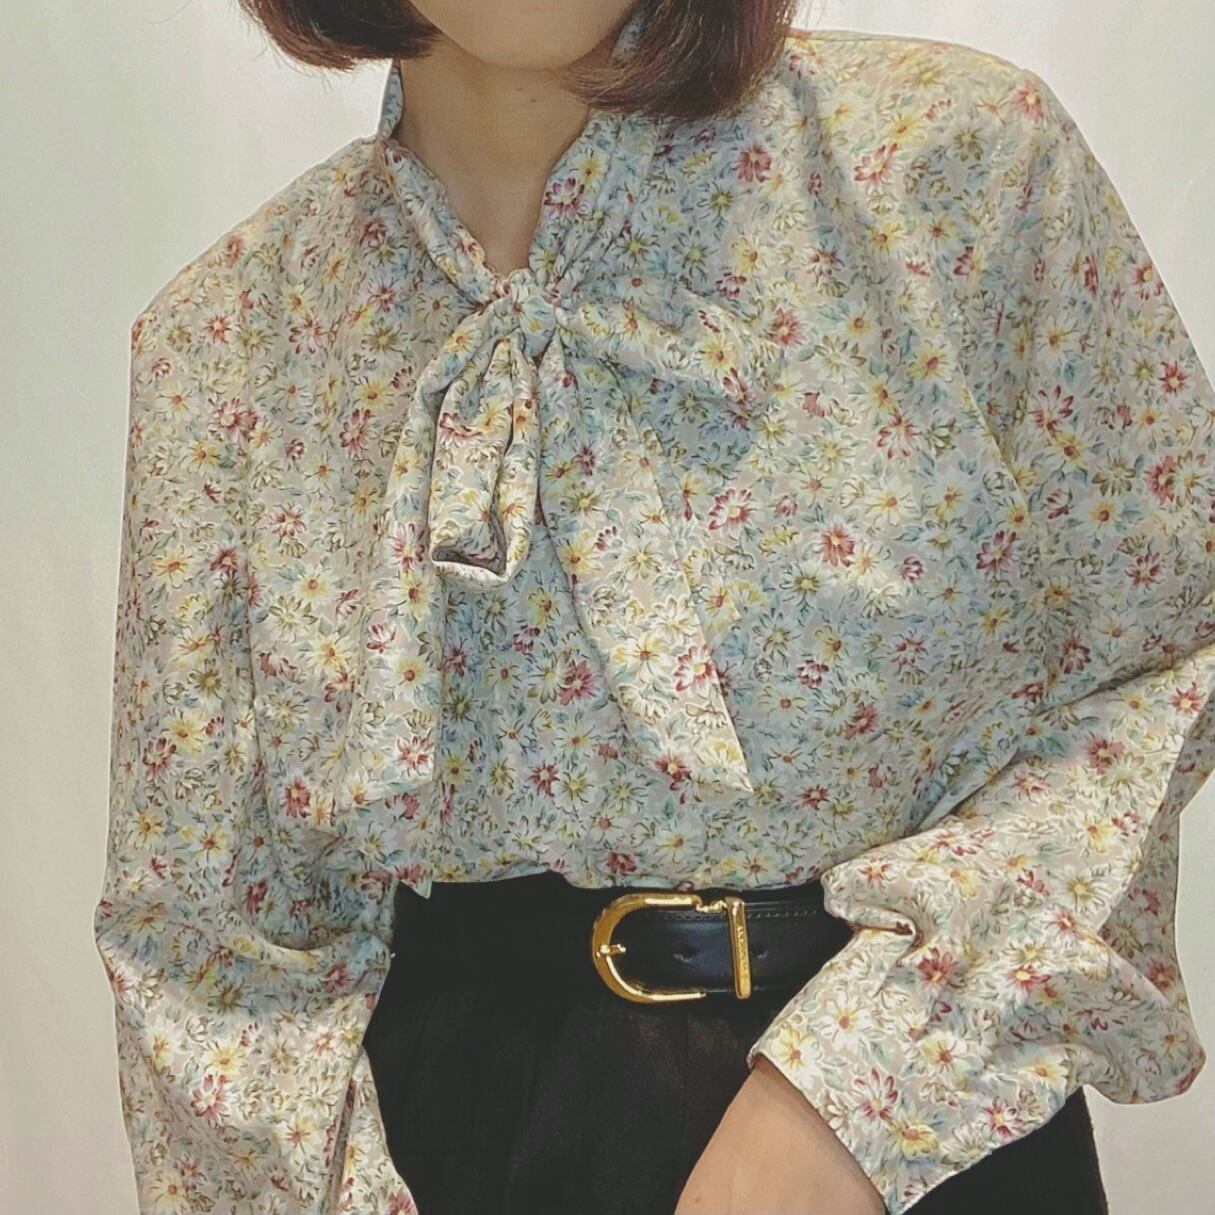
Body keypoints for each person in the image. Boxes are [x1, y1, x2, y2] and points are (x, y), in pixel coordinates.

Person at [92, 2, 1213, 1213]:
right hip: (440, 1157)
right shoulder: (230, 344)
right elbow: (210, 957)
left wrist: (860, 1098)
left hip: (925, 1143)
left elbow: (1158, 653)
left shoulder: (948, 167)